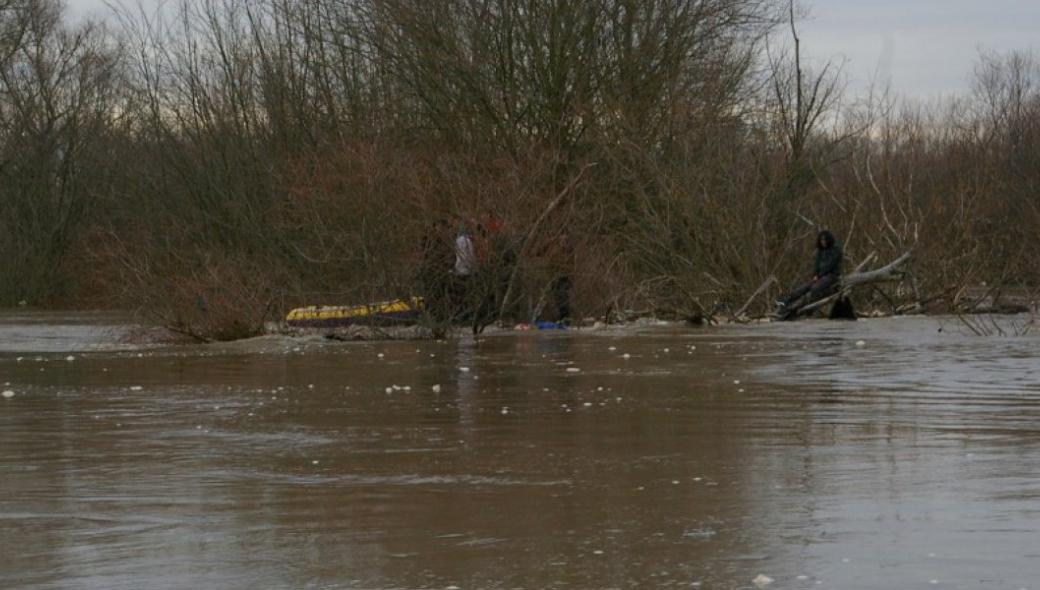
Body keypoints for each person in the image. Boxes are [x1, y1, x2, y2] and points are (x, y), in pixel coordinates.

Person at [778, 229, 843, 313]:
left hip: (831, 275)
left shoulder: (835, 250)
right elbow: (816, 265)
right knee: (803, 288)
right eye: (821, 240)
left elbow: (830, 265)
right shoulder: (820, 251)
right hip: (820, 276)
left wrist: (819, 276)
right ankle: (786, 301)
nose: (823, 242)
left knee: (815, 288)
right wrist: (815, 275)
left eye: (824, 239)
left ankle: (800, 306)